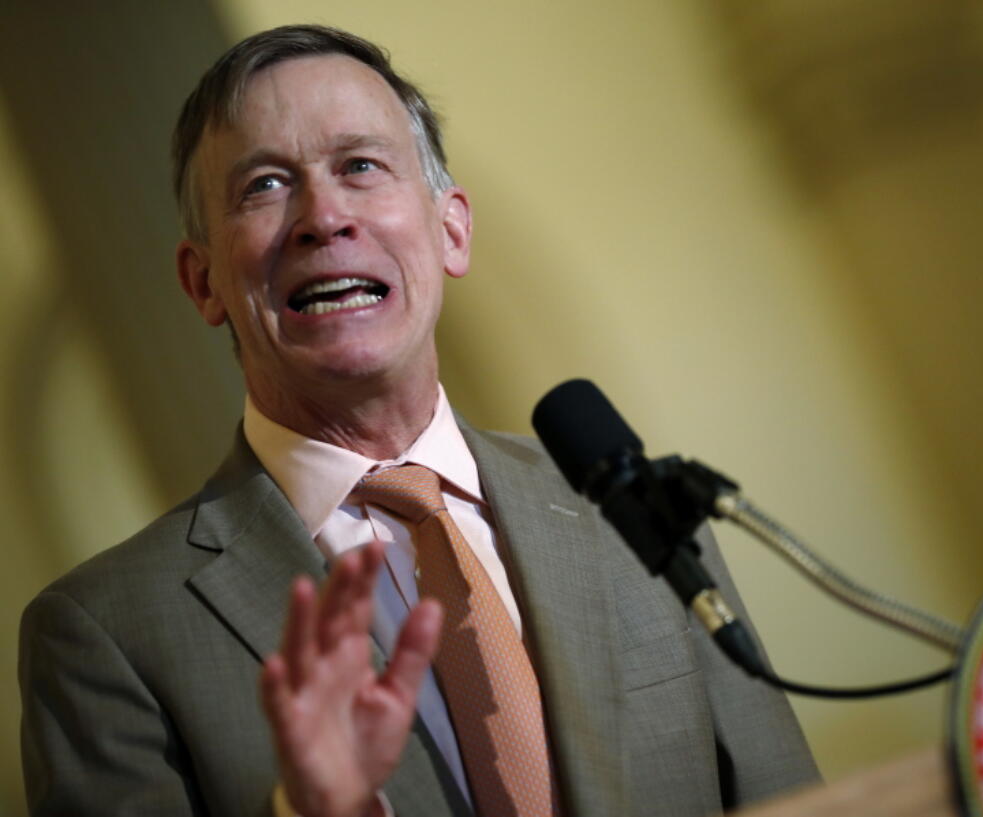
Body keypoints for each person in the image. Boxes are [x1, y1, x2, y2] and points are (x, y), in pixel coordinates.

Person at [18, 24, 818, 817]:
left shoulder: (633, 514)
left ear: (452, 230)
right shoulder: (104, 634)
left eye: (361, 165)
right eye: (264, 185)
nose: (323, 217)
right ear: (202, 283)